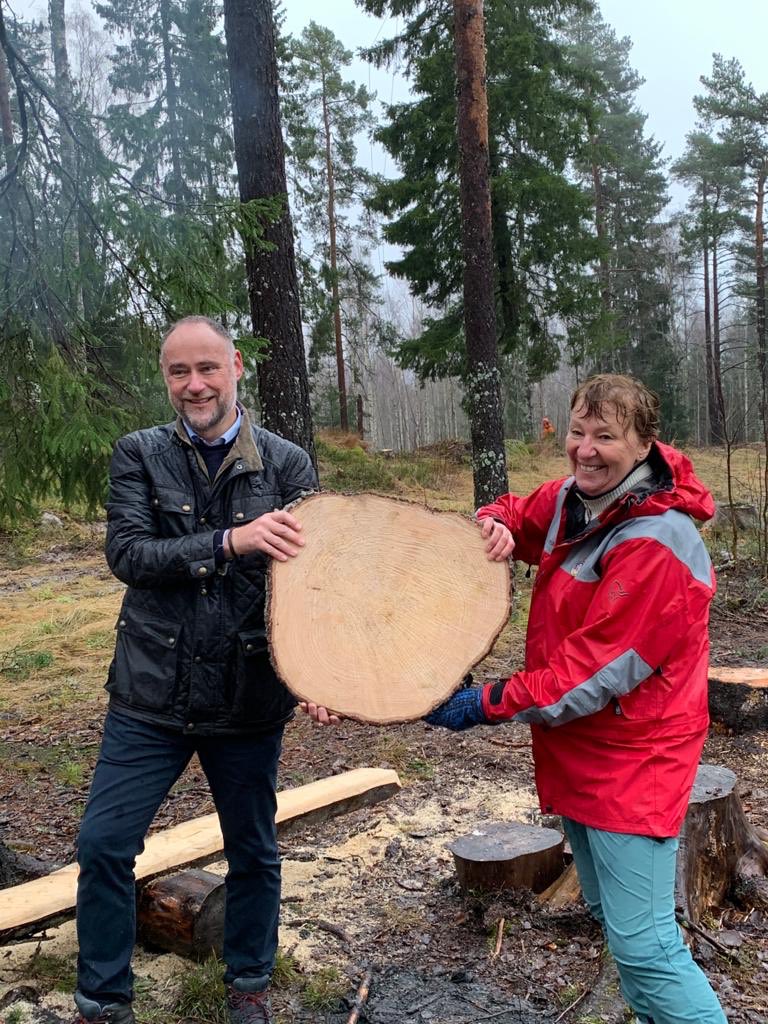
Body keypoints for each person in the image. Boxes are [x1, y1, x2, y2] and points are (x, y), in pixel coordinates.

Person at [427, 374, 727, 1024]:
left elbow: (592, 677)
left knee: (647, 947)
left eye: (607, 436)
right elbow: (520, 510)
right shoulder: (574, 499)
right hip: (579, 755)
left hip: (634, 760)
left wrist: (483, 702)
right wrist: (495, 524)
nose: (586, 449)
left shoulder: (660, 543)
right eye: (578, 432)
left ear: (645, 444)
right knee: (612, 923)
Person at [73, 316, 328, 1024]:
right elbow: (128, 555)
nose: (195, 385)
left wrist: (317, 676)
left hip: (247, 696)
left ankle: (248, 988)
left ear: (236, 366)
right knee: (102, 845)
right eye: (179, 372)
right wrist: (228, 540)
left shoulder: (286, 464)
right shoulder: (139, 454)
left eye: (208, 369)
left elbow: (308, 585)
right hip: (150, 691)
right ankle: (103, 1000)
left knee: (254, 851)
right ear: (166, 378)